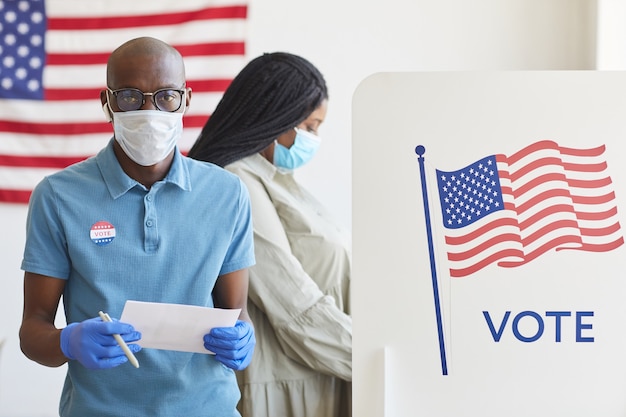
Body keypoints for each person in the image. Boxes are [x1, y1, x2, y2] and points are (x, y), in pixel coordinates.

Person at [19, 37, 256, 417]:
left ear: (186, 100)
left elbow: (236, 312)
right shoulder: (58, 196)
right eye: (130, 97)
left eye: (166, 97)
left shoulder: (227, 193)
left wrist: (245, 338)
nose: (150, 111)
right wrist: (67, 341)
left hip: (207, 408)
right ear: (106, 103)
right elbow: (32, 331)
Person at [188, 52, 352, 417]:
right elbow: (293, 306)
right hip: (284, 388)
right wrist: (374, 357)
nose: (314, 139)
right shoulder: (237, 181)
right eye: (309, 127)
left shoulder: (276, 180)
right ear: (277, 117)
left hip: (319, 374)